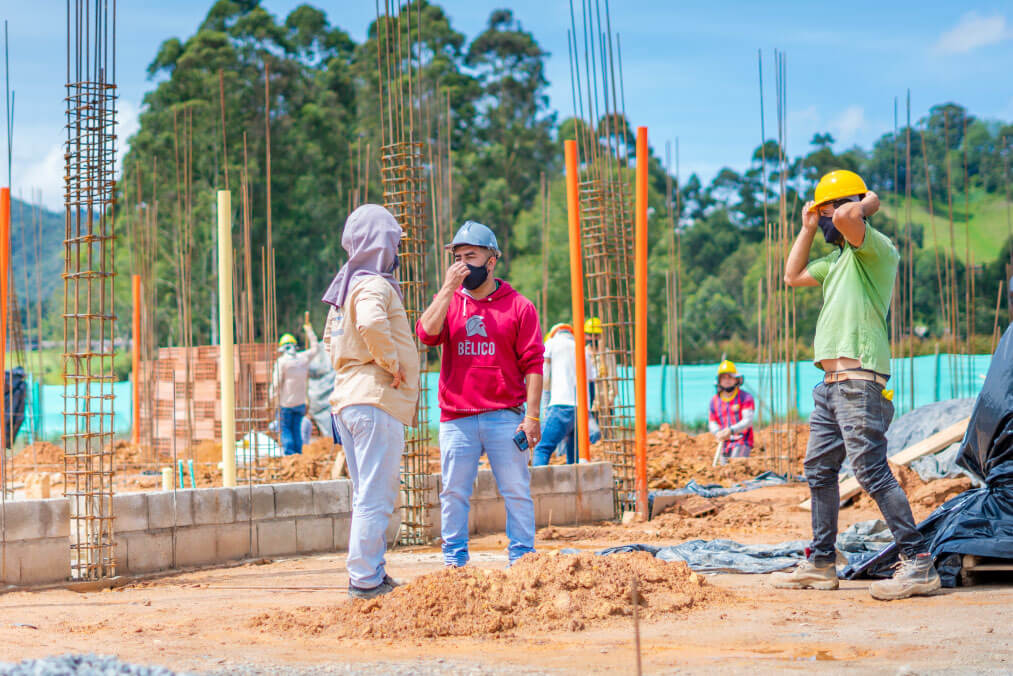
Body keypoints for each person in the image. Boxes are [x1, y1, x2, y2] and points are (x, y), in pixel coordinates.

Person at [776, 169, 940, 600]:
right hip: (829, 386)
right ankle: (821, 562)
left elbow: (852, 217)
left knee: (870, 471)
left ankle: (919, 562)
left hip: (859, 382)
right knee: (819, 471)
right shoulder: (836, 262)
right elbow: (791, 277)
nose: (828, 219)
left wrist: (869, 200)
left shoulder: (875, 249)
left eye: (828, 211)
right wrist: (808, 227)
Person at [417, 220, 543, 568]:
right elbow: (426, 335)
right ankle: (454, 562)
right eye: (456, 257)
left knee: (516, 491)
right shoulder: (448, 302)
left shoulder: (519, 307)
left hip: (505, 416)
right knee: (454, 493)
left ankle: (522, 560)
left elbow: (534, 364)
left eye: (470, 256)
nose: (462, 265)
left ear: (491, 261)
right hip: (456, 418)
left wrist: (532, 418)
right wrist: (446, 290)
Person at [322, 203, 421, 600]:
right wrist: (392, 363)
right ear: (382, 242)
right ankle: (364, 580)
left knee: (367, 495)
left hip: (347, 399)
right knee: (376, 497)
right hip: (374, 399)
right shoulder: (373, 285)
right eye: (394, 242)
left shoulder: (345, 287)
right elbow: (371, 323)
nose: (397, 252)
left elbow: (332, 343)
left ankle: (371, 572)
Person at [533, 324, 579, 465]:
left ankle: (538, 486)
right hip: (580, 409)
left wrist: (545, 406)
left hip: (560, 405)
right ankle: (574, 486)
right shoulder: (581, 348)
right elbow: (591, 383)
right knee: (574, 455)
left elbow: (544, 376)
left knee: (542, 448)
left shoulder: (551, 343)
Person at [270, 326, 319, 456]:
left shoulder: (282, 362)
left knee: (285, 429)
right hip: (300, 403)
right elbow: (315, 348)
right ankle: (298, 455)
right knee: (296, 429)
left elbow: (276, 384)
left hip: (285, 404)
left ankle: (290, 455)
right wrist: (309, 331)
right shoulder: (303, 358)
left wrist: (271, 400)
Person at [707, 360, 755, 462]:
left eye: (730, 377)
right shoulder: (714, 401)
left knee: (736, 466)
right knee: (723, 470)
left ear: (736, 379)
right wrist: (718, 433)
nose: (727, 380)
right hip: (724, 442)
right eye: (724, 377)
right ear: (719, 380)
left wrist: (731, 430)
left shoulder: (745, 397)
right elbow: (712, 422)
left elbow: (748, 420)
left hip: (742, 440)